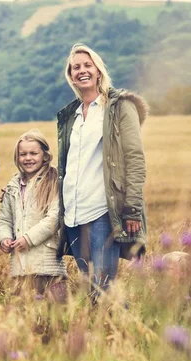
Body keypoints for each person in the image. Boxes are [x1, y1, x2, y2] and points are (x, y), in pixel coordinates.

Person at [56, 43, 149, 296]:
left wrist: (132, 209)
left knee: (103, 288)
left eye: (88, 65)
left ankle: (125, 333)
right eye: (76, 67)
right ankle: (107, 333)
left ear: (98, 71)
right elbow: (65, 166)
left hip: (102, 213)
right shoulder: (69, 116)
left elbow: (135, 159)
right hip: (74, 215)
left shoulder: (119, 107)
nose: (82, 71)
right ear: (70, 75)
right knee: (91, 288)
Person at [0, 129, 67, 300]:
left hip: (48, 264)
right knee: (25, 314)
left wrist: (29, 239)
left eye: (33, 153)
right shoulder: (13, 186)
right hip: (20, 266)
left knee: (56, 313)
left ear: (44, 155)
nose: (28, 158)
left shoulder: (54, 181)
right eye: (23, 154)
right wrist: (4, 238)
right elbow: (4, 220)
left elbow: (54, 218)